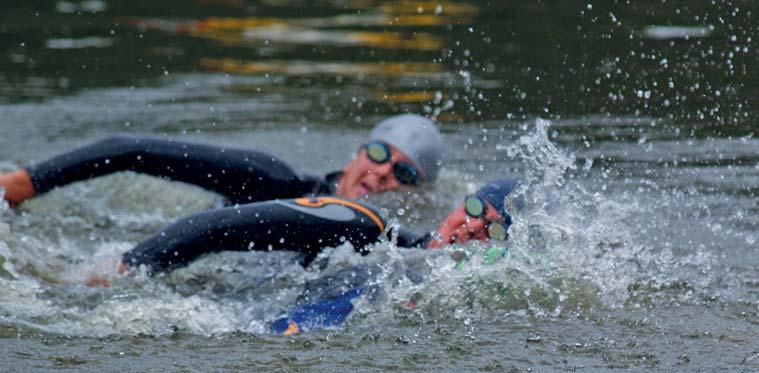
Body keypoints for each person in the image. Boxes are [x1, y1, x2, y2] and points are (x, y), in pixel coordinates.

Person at [94, 178, 521, 334]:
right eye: (474, 210)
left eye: (494, 230)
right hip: (211, 320)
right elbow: (208, 227)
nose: (471, 228)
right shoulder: (366, 224)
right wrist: (120, 270)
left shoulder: (464, 299)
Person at [0, 113, 443, 206]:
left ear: (416, 195)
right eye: (380, 154)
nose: (383, 172)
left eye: (403, 172)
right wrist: (24, 184)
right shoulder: (272, 182)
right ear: (356, 154)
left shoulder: (391, 254)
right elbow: (130, 149)